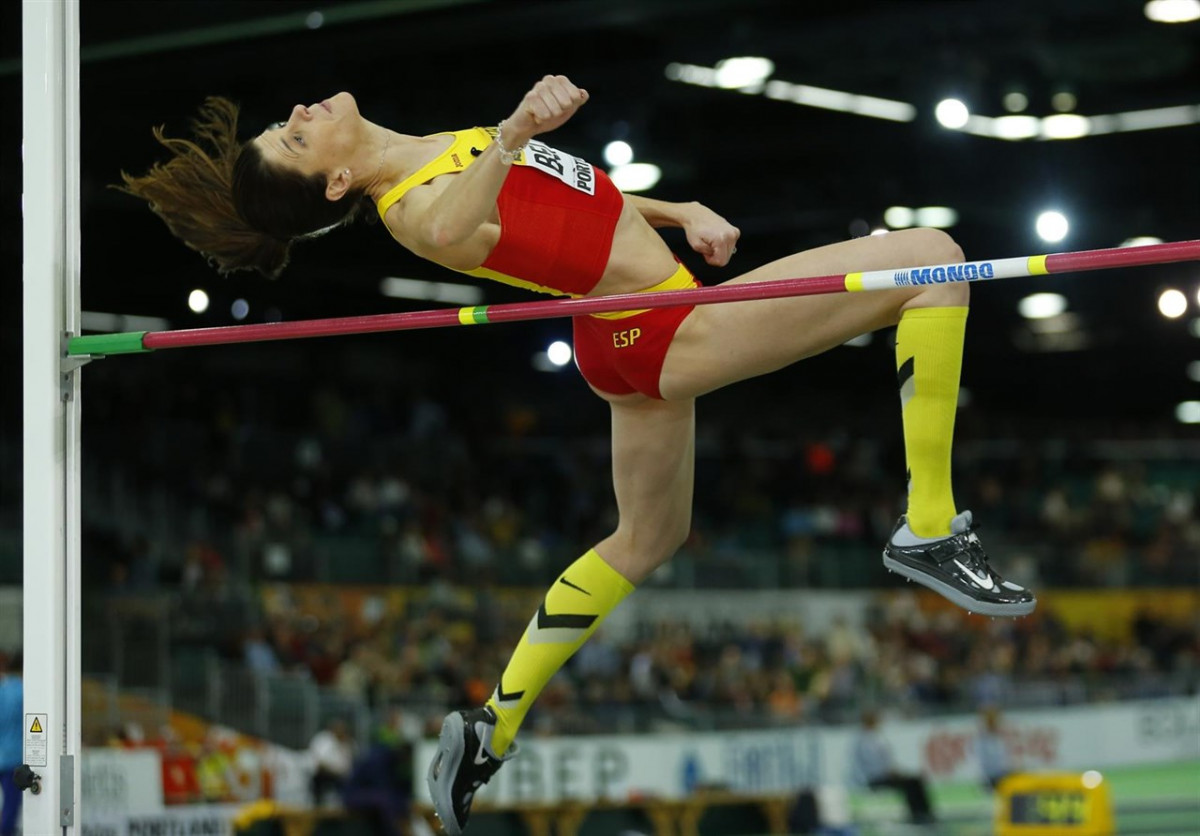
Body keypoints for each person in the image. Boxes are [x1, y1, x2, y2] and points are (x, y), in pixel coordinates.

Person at [118, 74, 1036, 834]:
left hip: (621, 337)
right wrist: (513, 129)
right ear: (335, 183)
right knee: (932, 260)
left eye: (285, 122)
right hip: (662, 328)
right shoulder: (413, 203)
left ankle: (492, 726)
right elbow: (451, 232)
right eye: (295, 136)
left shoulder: (431, 151)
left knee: (647, 539)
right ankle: (927, 525)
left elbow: (575, 200)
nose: (300, 112)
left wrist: (676, 209)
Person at [850, 709, 935, 825]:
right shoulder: (864, 740)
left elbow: (885, 761)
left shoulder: (875, 737)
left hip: (883, 774)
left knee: (915, 780)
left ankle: (923, 812)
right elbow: (872, 764)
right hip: (875, 777)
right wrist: (889, 772)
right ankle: (918, 814)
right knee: (911, 783)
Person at [0, 655, 22, 836]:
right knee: (10, 809)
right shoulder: (24, 691)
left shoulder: (2, 691)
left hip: (2, 756)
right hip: (14, 759)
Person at [978, 705, 1014, 789]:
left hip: (1001, 775)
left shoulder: (999, 738)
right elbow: (983, 764)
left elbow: (1004, 760)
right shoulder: (983, 740)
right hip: (991, 778)